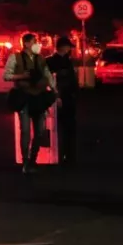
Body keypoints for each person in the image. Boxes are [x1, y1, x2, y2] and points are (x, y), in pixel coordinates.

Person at [3, 33, 59, 174]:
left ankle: (33, 159)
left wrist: (55, 91)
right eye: (35, 42)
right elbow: (6, 76)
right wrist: (22, 76)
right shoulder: (14, 58)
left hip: (39, 97)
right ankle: (26, 162)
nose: (37, 44)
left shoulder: (40, 59)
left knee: (40, 131)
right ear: (26, 44)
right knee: (26, 131)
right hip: (24, 97)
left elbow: (47, 74)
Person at [45, 36, 80, 164]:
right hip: (59, 98)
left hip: (69, 98)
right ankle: (60, 155)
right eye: (68, 47)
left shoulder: (67, 61)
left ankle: (68, 155)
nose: (70, 49)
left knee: (69, 127)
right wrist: (56, 96)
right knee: (57, 127)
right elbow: (50, 80)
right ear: (63, 47)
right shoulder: (51, 62)